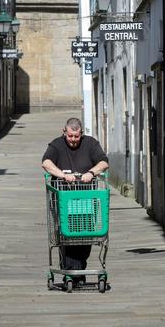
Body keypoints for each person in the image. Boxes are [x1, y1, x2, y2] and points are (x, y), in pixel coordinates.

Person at [41, 117, 109, 278]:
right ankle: (71, 270)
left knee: (84, 235)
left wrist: (91, 173)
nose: (73, 140)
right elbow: (46, 163)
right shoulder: (56, 145)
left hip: (85, 200)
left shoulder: (91, 144)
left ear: (81, 134)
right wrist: (63, 175)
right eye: (70, 136)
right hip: (63, 199)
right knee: (65, 235)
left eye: (76, 136)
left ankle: (76, 270)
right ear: (64, 132)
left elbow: (104, 162)